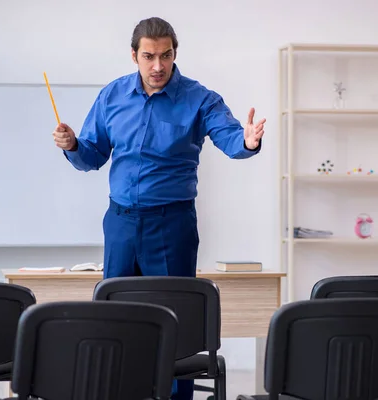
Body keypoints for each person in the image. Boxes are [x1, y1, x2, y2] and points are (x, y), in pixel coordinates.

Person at [52, 16, 265, 400]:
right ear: (134, 56)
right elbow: (92, 156)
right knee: (115, 316)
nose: (158, 66)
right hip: (120, 223)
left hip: (171, 225)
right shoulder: (111, 96)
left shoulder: (200, 99)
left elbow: (231, 138)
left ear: (174, 54)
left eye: (165, 56)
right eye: (149, 56)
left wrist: (247, 142)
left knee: (174, 322)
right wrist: (72, 146)